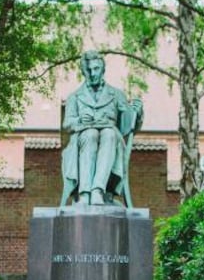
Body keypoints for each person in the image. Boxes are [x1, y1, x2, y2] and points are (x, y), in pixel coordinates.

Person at [61, 50, 143, 205]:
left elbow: (127, 124)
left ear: (103, 69)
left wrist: (137, 114)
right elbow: (67, 124)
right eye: (89, 70)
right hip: (83, 139)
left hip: (111, 139)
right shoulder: (75, 97)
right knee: (91, 134)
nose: (93, 73)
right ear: (84, 72)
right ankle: (84, 193)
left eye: (96, 69)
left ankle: (98, 190)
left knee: (109, 134)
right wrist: (79, 120)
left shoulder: (116, 94)